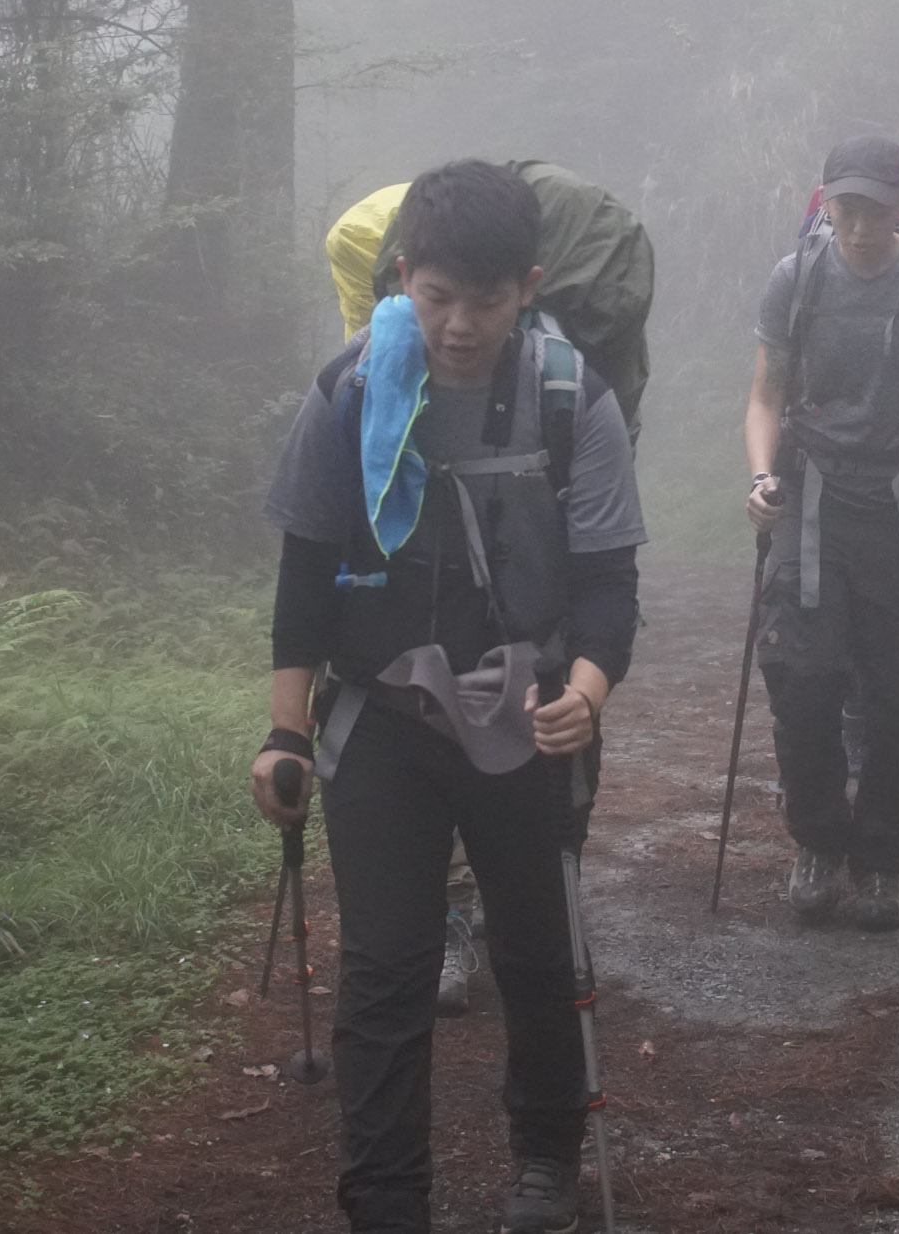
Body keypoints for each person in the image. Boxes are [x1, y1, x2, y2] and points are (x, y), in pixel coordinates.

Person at [257, 160, 646, 1234]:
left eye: (485, 301)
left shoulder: (573, 400)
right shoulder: (349, 391)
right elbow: (304, 569)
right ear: (400, 277)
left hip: (530, 718)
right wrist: (284, 731)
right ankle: (385, 1204)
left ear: (528, 288)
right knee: (386, 969)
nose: (459, 326)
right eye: (436, 298)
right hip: (381, 720)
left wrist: (586, 691)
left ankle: (545, 1161)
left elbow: (608, 583)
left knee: (535, 950)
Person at [744, 134, 899, 932]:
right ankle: (818, 841)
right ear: (825, 202)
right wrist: (761, 477)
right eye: (844, 209)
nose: (857, 227)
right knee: (801, 678)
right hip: (812, 495)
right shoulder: (798, 278)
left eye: (874, 211)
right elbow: (766, 394)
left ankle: (880, 856)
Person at [326, 180, 485, 1020]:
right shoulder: (360, 236)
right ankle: (456, 910)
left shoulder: (358, 233)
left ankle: (462, 909)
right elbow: (367, 359)